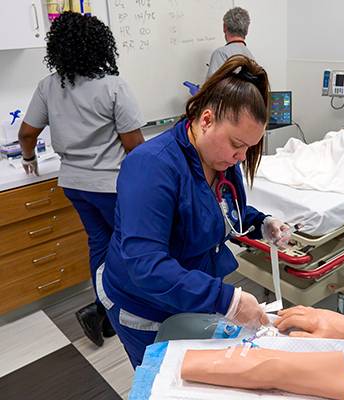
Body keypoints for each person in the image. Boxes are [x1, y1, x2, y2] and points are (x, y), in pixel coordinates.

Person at [97, 55, 289, 369]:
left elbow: (222, 210)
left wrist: (260, 223)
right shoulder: (152, 166)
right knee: (163, 379)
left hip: (189, 296)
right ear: (206, 120)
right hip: (143, 303)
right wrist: (228, 300)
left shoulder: (221, 161)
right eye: (236, 144)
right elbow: (145, 264)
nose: (240, 157)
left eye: (248, 149)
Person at [18, 12, 145, 347]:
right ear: (101, 45)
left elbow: (27, 133)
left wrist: (29, 159)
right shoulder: (113, 85)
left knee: (99, 244)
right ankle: (111, 311)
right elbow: (135, 146)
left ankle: (104, 312)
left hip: (74, 184)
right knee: (128, 247)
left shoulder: (49, 85)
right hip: (111, 186)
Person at [206, 7, 254, 79]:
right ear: (246, 30)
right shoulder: (250, 57)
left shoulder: (220, 53)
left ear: (224, 27)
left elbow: (212, 88)